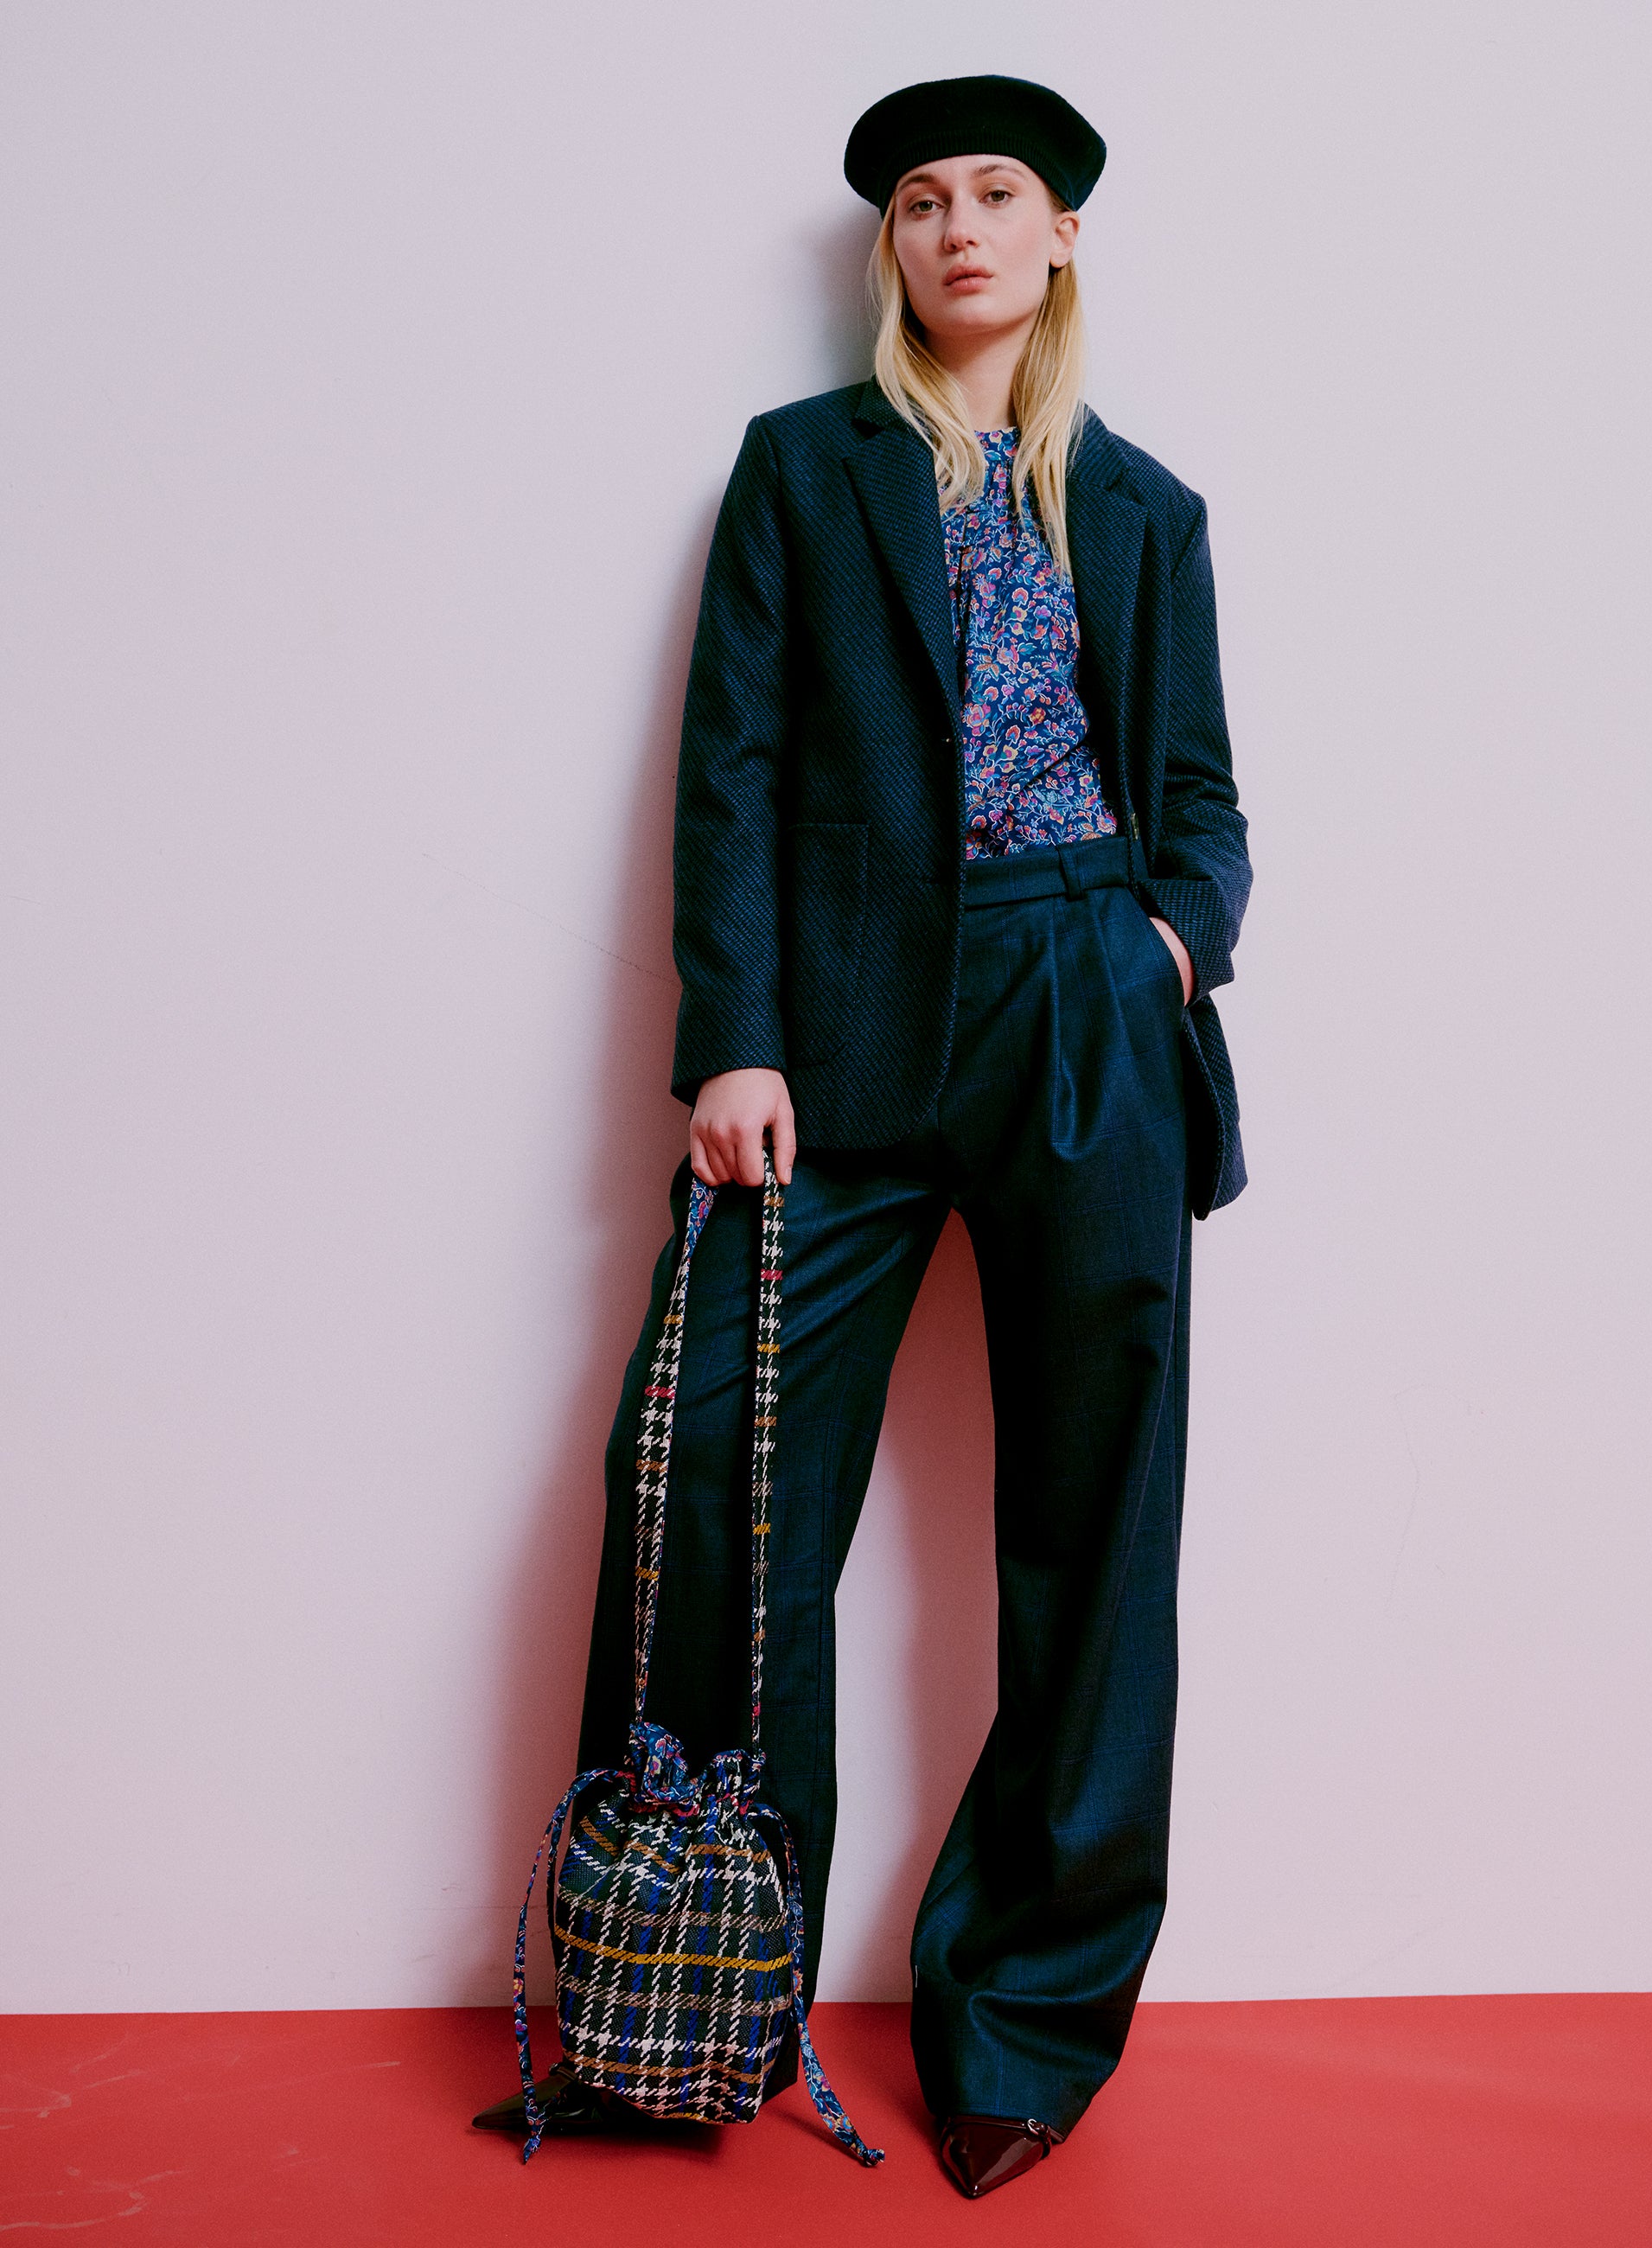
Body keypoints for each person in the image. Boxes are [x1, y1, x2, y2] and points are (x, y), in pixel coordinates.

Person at [478, 73, 1251, 2200]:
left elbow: (1202, 801)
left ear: (1064, 236)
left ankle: (1024, 2021)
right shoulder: (802, 476)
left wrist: (1166, 951)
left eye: (997, 195)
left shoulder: (1153, 511)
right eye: (921, 201)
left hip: (1087, 1007)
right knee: (711, 1459)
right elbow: (730, 764)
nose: (958, 227)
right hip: (839, 1042)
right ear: (892, 250)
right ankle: (702, 1994)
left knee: (1092, 1536)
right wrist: (728, 1036)